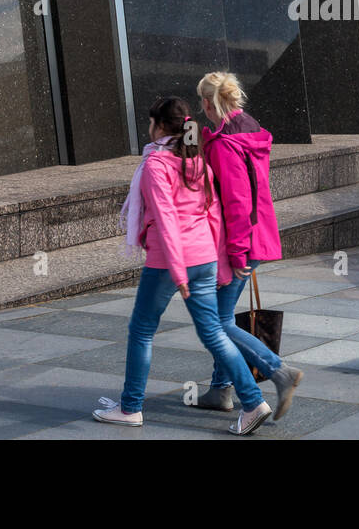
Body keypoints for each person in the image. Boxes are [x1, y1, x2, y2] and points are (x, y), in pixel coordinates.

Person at [93, 96, 273, 436]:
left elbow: (166, 221)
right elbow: (213, 212)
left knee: (142, 330)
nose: (148, 128)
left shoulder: (155, 165)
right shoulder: (197, 160)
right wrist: (219, 265)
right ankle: (253, 403)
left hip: (168, 262)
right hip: (204, 257)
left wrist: (177, 272)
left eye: (151, 122)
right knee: (214, 332)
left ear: (161, 126)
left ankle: (130, 408)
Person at [193, 71, 305, 421]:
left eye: (201, 102)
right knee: (221, 316)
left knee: (217, 322)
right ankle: (220, 388)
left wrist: (239, 252)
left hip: (240, 241)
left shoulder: (225, 143)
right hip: (256, 234)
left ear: (208, 103)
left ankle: (279, 372)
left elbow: (238, 199)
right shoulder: (249, 128)